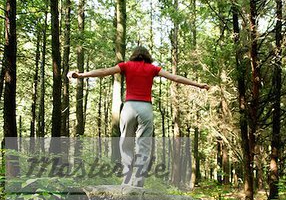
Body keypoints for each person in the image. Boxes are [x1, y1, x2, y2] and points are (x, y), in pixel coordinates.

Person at [67, 46, 209, 187]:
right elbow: (176, 78)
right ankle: (138, 183)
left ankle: (127, 181)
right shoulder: (153, 69)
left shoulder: (126, 66)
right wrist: (198, 85)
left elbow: (104, 71)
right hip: (145, 109)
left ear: (134, 55)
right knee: (144, 146)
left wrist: (81, 75)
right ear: (148, 56)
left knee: (125, 144)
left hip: (129, 108)